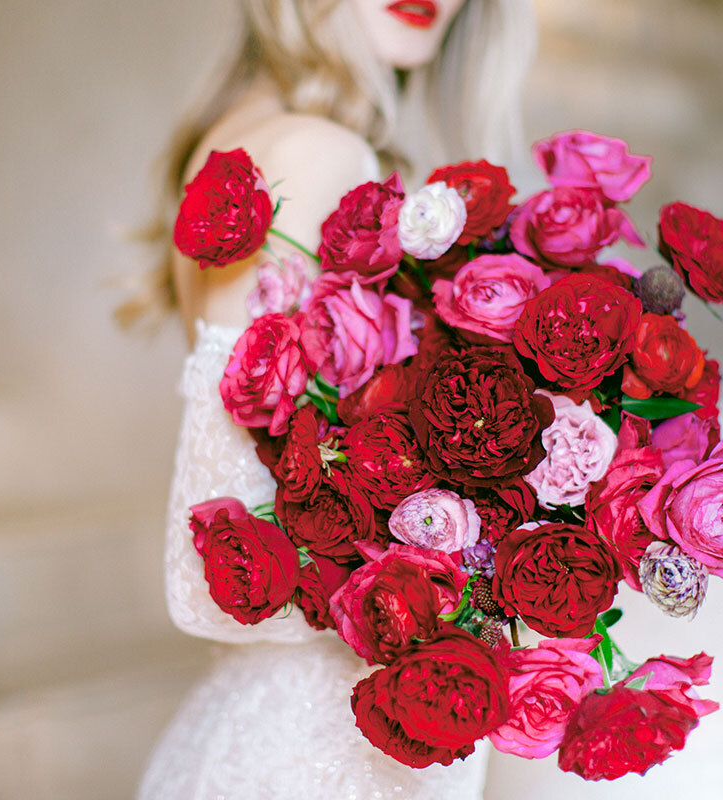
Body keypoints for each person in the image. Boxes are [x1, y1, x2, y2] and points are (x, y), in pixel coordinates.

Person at [134, 2, 536, 797]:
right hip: (321, 760)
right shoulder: (319, 154)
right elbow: (202, 579)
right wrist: (478, 576)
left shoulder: (249, 136)